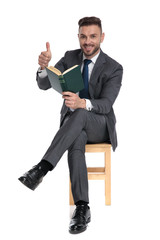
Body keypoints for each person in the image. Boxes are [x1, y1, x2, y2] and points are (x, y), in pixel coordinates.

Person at [18, 16, 123, 234]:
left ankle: (42, 168)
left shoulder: (114, 67)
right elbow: (45, 85)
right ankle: (82, 209)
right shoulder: (69, 57)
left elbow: (106, 104)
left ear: (101, 37)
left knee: (81, 114)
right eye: (83, 37)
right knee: (76, 140)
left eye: (93, 36)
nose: (88, 41)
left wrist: (82, 103)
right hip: (73, 128)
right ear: (78, 37)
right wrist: (44, 68)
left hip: (99, 124)